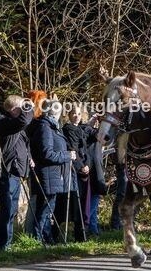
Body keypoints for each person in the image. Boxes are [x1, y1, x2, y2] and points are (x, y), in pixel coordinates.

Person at [28, 99, 77, 244]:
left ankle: (46, 237)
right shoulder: (45, 127)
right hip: (48, 173)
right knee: (45, 208)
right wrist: (68, 155)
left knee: (48, 207)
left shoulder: (51, 126)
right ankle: (39, 239)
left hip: (53, 174)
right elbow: (47, 153)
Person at [0, 95, 33, 251]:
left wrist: (29, 157)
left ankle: (7, 243)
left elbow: (24, 141)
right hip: (6, 170)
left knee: (12, 209)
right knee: (7, 209)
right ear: (13, 109)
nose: (23, 111)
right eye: (20, 108)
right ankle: (2, 245)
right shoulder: (2, 121)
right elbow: (24, 121)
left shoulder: (13, 122)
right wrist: (29, 105)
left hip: (16, 171)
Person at [58, 107, 89, 242]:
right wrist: (81, 166)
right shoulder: (69, 130)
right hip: (74, 170)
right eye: (74, 114)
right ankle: (77, 234)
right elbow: (73, 150)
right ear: (69, 115)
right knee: (74, 202)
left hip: (83, 168)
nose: (77, 116)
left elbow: (85, 150)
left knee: (82, 201)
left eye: (79, 113)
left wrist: (88, 165)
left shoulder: (80, 129)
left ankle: (81, 233)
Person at [81, 114, 107, 236]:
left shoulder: (95, 131)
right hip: (91, 168)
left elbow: (106, 138)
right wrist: (90, 122)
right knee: (93, 200)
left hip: (96, 168)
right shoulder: (85, 130)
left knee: (95, 199)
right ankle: (85, 225)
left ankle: (93, 228)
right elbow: (87, 131)